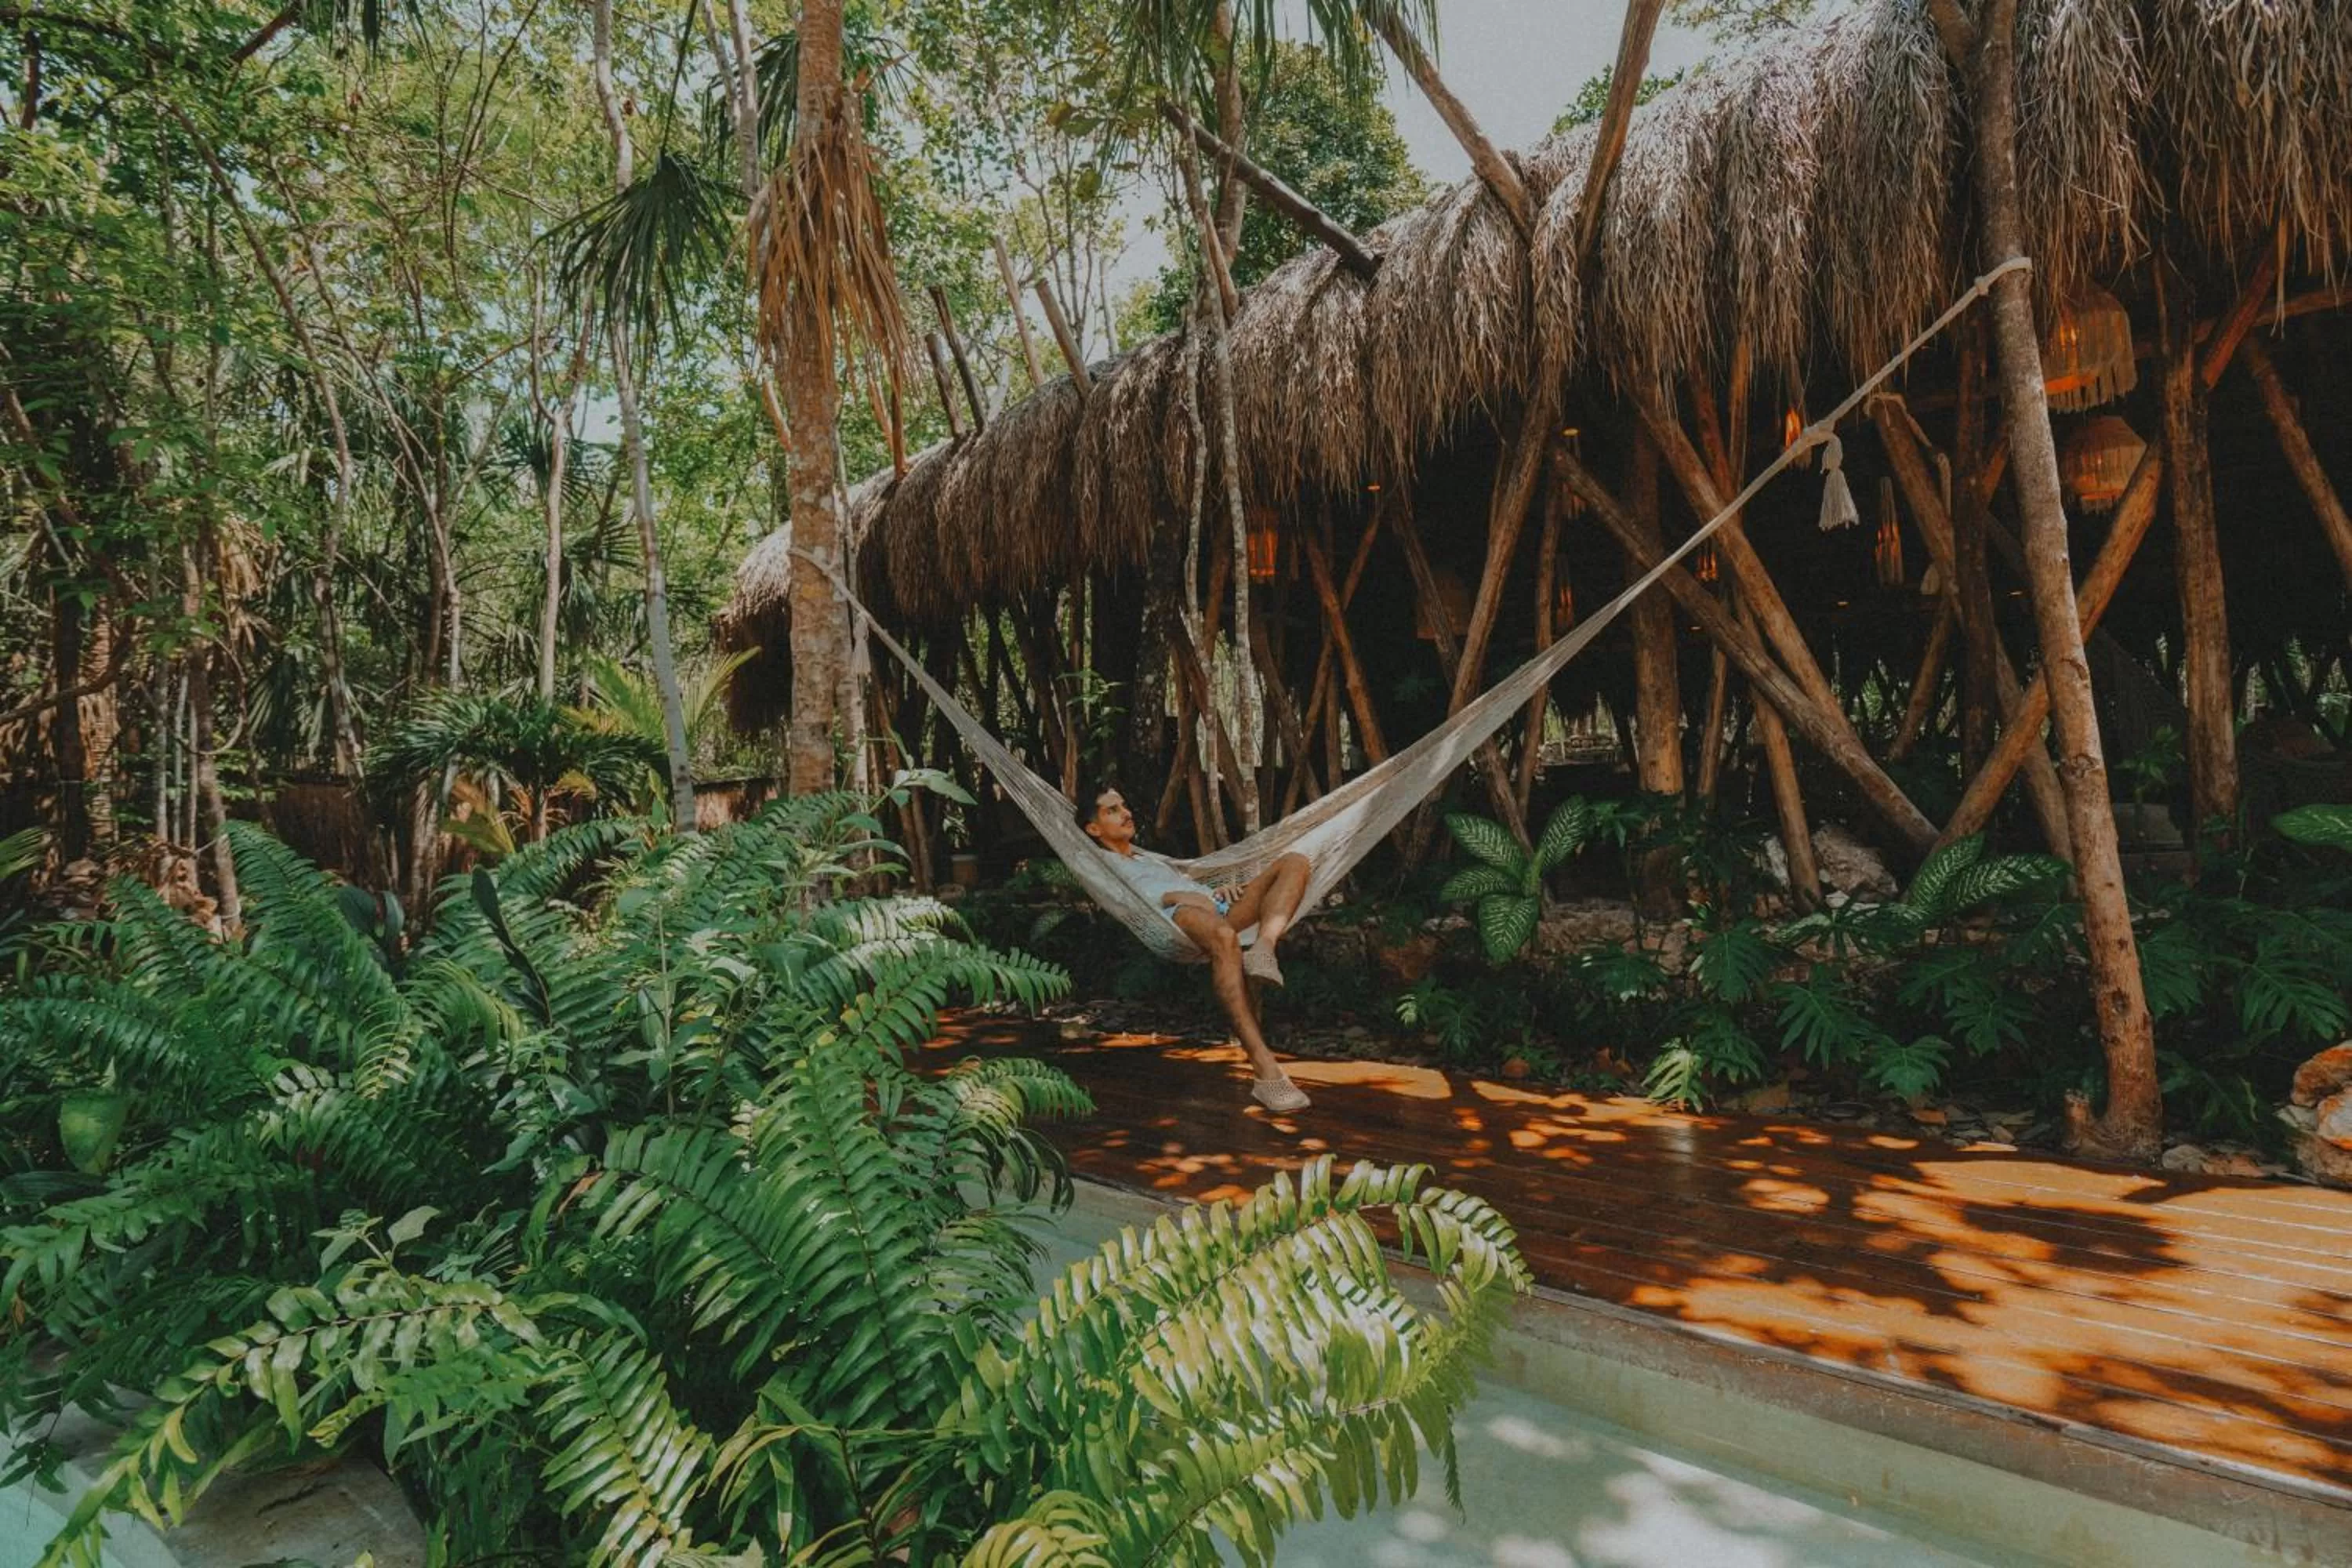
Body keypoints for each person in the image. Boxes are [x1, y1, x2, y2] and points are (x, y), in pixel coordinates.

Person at [1074, 784, 1314, 1112]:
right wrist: (1178, 897)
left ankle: (1263, 947)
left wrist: (1219, 891)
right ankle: (1265, 1070)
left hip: (1213, 907)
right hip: (1174, 918)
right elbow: (1137, 900)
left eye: (1124, 805)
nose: (1125, 813)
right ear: (1093, 828)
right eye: (1111, 810)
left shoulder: (1150, 858)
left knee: (1295, 862)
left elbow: (1191, 887)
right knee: (1225, 938)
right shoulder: (1100, 864)